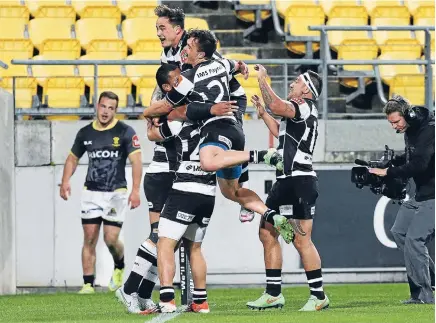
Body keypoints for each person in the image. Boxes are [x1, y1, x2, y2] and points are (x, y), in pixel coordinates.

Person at [144, 29, 295, 243]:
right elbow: (235, 64)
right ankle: (270, 214)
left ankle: (263, 155)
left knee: (207, 162)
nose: (185, 49)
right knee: (231, 192)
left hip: (217, 127)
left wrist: (147, 113)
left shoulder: (188, 79)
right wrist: (241, 66)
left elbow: (165, 107)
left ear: (201, 54)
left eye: (189, 47)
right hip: (234, 128)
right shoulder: (222, 64)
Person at [152, 4, 255, 223]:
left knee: (232, 135)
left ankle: (245, 186)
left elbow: (219, 65)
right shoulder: (168, 53)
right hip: (204, 99)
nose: (159, 33)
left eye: (162, 28)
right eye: (157, 28)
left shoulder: (194, 45)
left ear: (178, 30)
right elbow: (165, 81)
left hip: (230, 99)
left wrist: (238, 66)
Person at [246, 66, 330, 311]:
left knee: (302, 241)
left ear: (306, 89)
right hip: (286, 180)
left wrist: (263, 79)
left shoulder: (303, 106)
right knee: (267, 232)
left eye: (296, 82)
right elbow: (280, 131)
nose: (292, 84)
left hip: (299, 181)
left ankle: (319, 296)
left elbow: (277, 105)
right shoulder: (297, 114)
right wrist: (263, 114)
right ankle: (273, 294)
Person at [59, 91, 142, 294]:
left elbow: (136, 161)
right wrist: (65, 181)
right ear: (97, 106)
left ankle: (119, 265)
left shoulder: (125, 131)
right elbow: (72, 158)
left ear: (116, 110)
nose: (106, 112)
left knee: (110, 238)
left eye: (111, 108)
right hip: (91, 193)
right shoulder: (85, 133)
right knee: (89, 238)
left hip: (116, 192)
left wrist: (136, 191)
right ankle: (88, 283)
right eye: (103, 106)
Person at [116, 65, 182, 313]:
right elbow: (156, 132)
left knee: (168, 241)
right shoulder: (170, 107)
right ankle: (129, 288)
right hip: (162, 175)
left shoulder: (172, 103)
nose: (182, 79)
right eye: (177, 77)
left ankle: (143, 292)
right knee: (160, 237)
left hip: (168, 175)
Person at [369, 95, 435, 304]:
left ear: (408, 114)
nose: (394, 126)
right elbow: (410, 158)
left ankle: (423, 296)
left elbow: (420, 165)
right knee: (400, 232)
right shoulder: (411, 130)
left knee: (415, 240)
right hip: (421, 194)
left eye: (396, 121)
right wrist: (388, 162)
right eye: (391, 123)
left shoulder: (428, 130)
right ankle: (431, 279)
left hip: (433, 195)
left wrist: (388, 172)